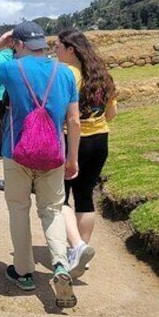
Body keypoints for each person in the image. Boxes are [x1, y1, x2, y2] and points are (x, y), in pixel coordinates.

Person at [0, 21, 81, 309]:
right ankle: (60, 265)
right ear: (43, 44)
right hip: (53, 154)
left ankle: (23, 272)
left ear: (18, 45)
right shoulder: (65, 73)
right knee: (52, 210)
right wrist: (72, 159)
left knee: (19, 209)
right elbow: (74, 121)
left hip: (16, 152)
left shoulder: (11, 68)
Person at [53, 28, 118, 278]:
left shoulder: (67, 74)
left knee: (59, 197)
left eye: (58, 46)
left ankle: (76, 247)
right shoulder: (103, 75)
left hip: (73, 139)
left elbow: (60, 111)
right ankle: (81, 251)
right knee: (85, 195)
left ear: (71, 49)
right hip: (101, 138)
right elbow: (112, 113)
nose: (54, 51)